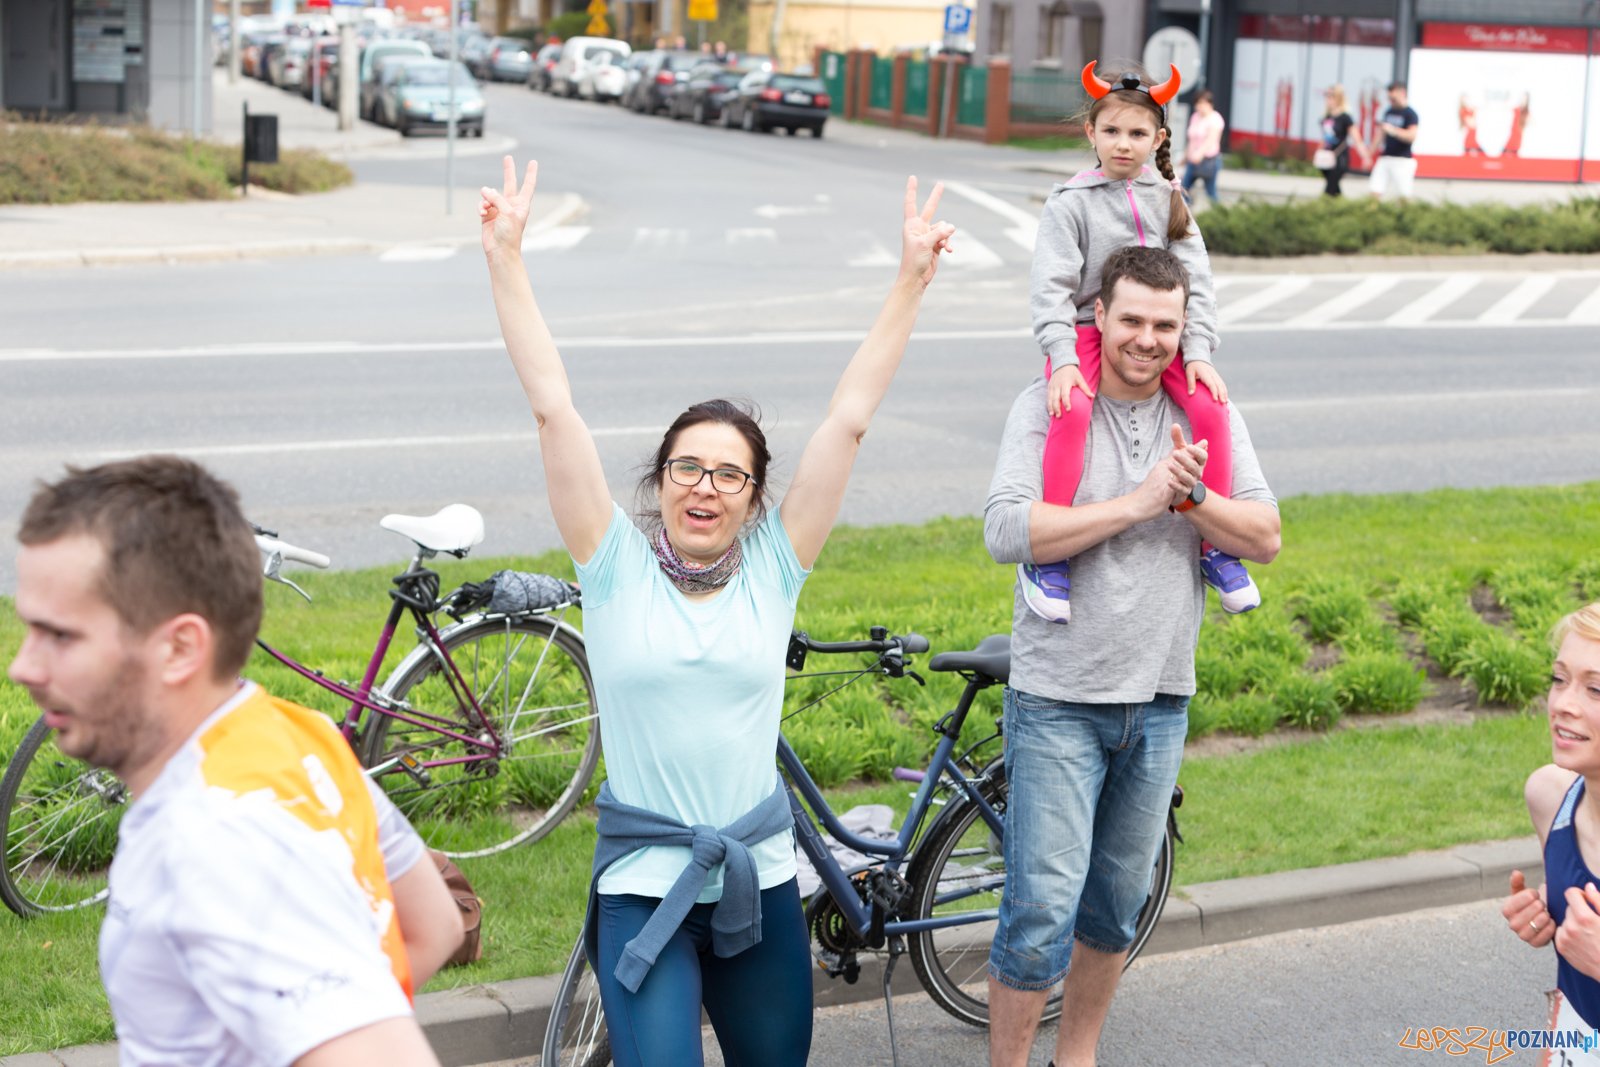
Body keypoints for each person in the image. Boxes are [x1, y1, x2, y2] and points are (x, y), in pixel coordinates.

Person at [476, 156, 953, 1067]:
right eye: (687, 467)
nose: (705, 486)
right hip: (641, 888)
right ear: (660, 482)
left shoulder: (776, 566)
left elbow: (847, 420)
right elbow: (552, 408)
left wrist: (909, 281)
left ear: (754, 494)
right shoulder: (612, 565)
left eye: (729, 472)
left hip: (760, 881)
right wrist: (507, 257)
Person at [7, 457, 465, 1067]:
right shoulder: (298, 733)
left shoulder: (213, 837)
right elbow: (434, 926)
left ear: (180, 647)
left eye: (60, 636)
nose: (24, 667)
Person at [986, 245, 1281, 1067]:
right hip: (1057, 700)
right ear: (1100, 317)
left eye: (1165, 325)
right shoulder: (1049, 403)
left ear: (1185, 329)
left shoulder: (1207, 414)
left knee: (1116, 903)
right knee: (1040, 911)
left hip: (1159, 699)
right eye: (1132, 321)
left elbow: (1265, 535)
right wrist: (1140, 501)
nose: (1147, 339)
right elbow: (1007, 530)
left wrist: (1191, 496)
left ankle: (1074, 1056)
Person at [1026, 62, 1261, 627]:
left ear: (1157, 139)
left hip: (1166, 335)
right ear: (1092, 133)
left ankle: (1217, 549)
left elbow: (1198, 284)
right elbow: (1052, 289)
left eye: (1136, 134)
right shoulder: (1071, 202)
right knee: (1073, 407)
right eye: (1111, 132)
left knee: (1210, 406)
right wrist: (1061, 360)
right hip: (1090, 331)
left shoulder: (1170, 200)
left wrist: (1198, 352)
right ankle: (1049, 559)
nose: (1123, 144)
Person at [1503, 603, 1600, 1029]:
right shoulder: (1551, 798)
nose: (1563, 703)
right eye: (1559, 679)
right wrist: (1547, 916)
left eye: (1596, 690)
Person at [1369, 81, 1419, 200]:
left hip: (1402, 160)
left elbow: (1412, 136)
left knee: (1403, 197)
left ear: (1403, 94)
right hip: (1386, 157)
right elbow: (1380, 135)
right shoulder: (1389, 111)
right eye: (1389, 98)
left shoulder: (1410, 114)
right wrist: (1369, 154)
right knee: (1374, 192)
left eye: (1394, 98)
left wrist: (1394, 131)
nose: (1391, 101)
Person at [1316, 84, 1362, 198]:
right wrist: (1318, 151)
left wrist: (1365, 155)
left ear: (1338, 98)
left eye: (1331, 95)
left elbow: (1356, 137)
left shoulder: (1345, 117)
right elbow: (1324, 138)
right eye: (1327, 95)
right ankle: (1340, 208)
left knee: (1329, 189)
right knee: (1334, 190)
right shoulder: (1326, 117)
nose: (1328, 98)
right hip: (1326, 156)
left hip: (1339, 157)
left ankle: (1324, 207)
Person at [1180, 89, 1225, 204]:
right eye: (1197, 103)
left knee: (1210, 192)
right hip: (1192, 160)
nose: (1199, 106)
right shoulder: (1195, 117)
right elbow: (1191, 139)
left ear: (1210, 104)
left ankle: (1219, 214)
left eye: (1202, 103)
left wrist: (1199, 154)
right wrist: (1185, 157)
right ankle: (1184, 215)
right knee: (1183, 188)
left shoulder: (1215, 118)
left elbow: (1211, 139)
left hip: (1208, 161)